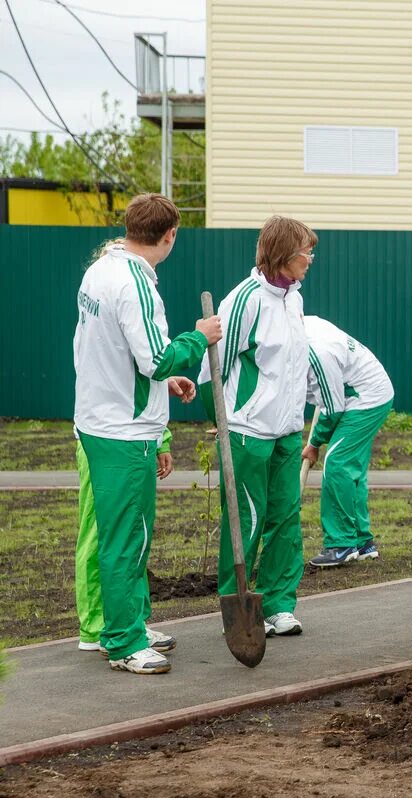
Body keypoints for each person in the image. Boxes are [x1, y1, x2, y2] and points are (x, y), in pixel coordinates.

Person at [73, 193, 222, 675]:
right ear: (170, 235)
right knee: (126, 538)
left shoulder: (101, 268)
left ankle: (127, 621)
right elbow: (157, 357)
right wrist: (199, 337)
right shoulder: (136, 283)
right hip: (123, 429)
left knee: (121, 534)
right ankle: (121, 641)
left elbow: (119, 351)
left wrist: (161, 385)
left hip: (101, 417)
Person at [199, 216, 311, 638]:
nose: (310, 260)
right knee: (246, 520)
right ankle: (237, 604)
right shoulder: (243, 301)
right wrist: (223, 424)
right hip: (247, 432)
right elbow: (214, 370)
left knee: (285, 517)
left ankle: (280, 604)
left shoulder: (294, 299)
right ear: (283, 255)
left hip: (287, 430)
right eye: (306, 252)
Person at [301, 315, 395, 566]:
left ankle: (341, 544)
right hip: (364, 390)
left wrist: (314, 443)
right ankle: (363, 541)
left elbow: (332, 408)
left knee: (337, 463)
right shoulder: (305, 323)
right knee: (351, 470)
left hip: (366, 398)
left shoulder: (316, 351)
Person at [75, 425, 176, 655]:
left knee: (133, 535)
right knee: (101, 533)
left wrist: (162, 440)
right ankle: (96, 626)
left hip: (136, 439)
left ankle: (131, 621)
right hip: (105, 440)